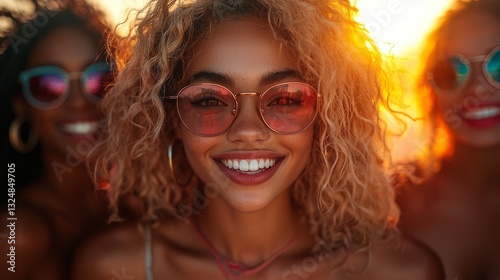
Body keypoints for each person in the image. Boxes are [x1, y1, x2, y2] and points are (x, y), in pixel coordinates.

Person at [71, 0, 444, 279]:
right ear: (170, 120)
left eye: (285, 99)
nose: (247, 130)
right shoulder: (112, 267)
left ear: (326, 120)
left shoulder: (399, 271)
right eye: (209, 100)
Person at [0, 0, 115, 279]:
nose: (78, 102)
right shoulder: (18, 234)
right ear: (21, 105)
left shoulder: (132, 202)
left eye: (100, 79)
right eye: (48, 85)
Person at [396, 0, 500, 279]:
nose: (478, 87)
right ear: (429, 90)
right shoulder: (394, 199)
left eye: (498, 65)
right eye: (452, 72)